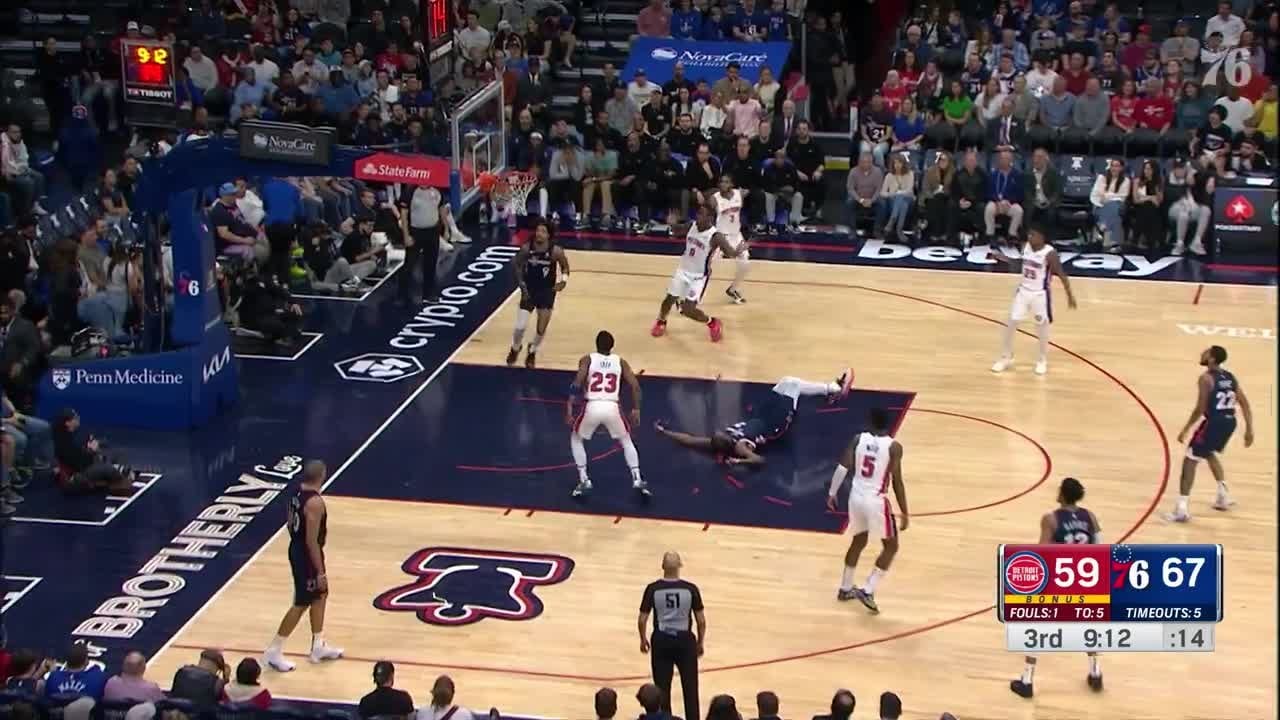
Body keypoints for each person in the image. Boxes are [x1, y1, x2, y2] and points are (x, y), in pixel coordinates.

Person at [1010, 477, 1104, 698]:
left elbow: (1042, 554)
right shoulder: (1090, 516)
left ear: (1062, 494)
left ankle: (1027, 681)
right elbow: (1100, 549)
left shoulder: (1050, 519)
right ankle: (1095, 673)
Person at [654, 370, 853, 465]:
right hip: (775, 423)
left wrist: (665, 432)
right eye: (720, 435)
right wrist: (738, 462)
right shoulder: (739, 446)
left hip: (762, 414)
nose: (718, 432)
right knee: (793, 384)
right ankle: (834, 389)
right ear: (725, 441)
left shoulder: (717, 441)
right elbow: (759, 460)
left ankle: (831, 389)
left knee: (785, 381)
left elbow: (689, 440)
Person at [825, 404, 912, 616]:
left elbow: (842, 467)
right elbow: (897, 482)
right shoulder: (894, 447)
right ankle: (868, 589)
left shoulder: (858, 439)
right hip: (876, 501)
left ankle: (845, 588)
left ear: (870, 422)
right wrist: (905, 511)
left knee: (858, 541)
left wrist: (832, 493)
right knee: (891, 546)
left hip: (855, 498)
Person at [263, 460, 343, 672]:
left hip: (297, 548)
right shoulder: (315, 502)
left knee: (321, 594)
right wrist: (320, 571)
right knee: (301, 602)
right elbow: (311, 541)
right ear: (322, 476)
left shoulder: (296, 494)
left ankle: (318, 645)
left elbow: (291, 525)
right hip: (307, 554)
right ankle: (274, 649)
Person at [1165, 346, 1254, 522]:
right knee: (1208, 452)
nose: (1202, 354)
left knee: (1190, 460)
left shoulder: (1206, 378)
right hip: (1229, 422)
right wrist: (1249, 430)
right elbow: (1245, 403)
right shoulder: (1230, 377)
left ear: (1212, 359)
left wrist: (1186, 428)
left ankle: (1181, 508)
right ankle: (1223, 496)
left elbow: (1201, 408)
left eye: (1206, 353)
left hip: (1213, 423)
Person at [989, 226, 1079, 376]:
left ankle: (1042, 360)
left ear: (1042, 237)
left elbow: (1062, 274)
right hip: (1023, 292)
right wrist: (1003, 258)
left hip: (1040, 295)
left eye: (1033, 235)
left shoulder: (1049, 253)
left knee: (1041, 327)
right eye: (1029, 235)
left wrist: (1070, 295)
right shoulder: (1027, 247)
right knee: (1011, 322)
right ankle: (1006, 357)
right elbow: (1021, 264)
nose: (1030, 237)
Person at [566, 330, 645, 498]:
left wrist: (569, 407)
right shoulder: (621, 362)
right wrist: (636, 409)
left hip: (592, 405)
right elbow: (636, 387)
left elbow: (577, 383)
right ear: (612, 346)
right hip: (612, 406)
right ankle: (637, 477)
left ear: (596, 344)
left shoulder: (587, 359)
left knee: (576, 438)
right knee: (626, 440)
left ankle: (584, 479)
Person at [650, 204, 739, 342]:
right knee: (668, 300)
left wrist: (738, 251)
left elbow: (730, 253)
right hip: (683, 270)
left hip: (698, 277)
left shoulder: (716, 236)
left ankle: (712, 322)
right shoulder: (691, 226)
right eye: (698, 213)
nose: (698, 216)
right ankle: (661, 321)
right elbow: (677, 231)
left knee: (688, 310)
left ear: (710, 218)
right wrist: (672, 224)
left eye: (702, 214)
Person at [638, 552, 705, 720]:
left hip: (661, 640)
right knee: (690, 688)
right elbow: (701, 621)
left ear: (662, 567)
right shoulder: (690, 589)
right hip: (685, 641)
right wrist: (700, 642)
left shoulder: (653, 589)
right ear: (680, 566)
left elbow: (642, 619)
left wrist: (643, 639)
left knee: (662, 689)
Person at [506, 219, 569, 369]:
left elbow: (565, 267)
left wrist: (563, 281)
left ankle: (532, 350)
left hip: (547, 291)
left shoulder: (556, 251)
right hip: (529, 290)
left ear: (549, 235)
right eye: (538, 230)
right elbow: (516, 264)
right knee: (520, 327)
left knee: (541, 328)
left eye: (543, 231)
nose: (539, 234)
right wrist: (521, 284)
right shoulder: (527, 248)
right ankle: (515, 348)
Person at [711, 174, 750, 304]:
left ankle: (733, 289)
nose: (723, 184)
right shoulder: (714, 198)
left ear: (732, 184)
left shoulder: (739, 194)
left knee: (745, 264)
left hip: (736, 235)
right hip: (721, 237)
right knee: (707, 266)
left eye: (726, 182)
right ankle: (683, 296)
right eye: (721, 182)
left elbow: (748, 191)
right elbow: (707, 215)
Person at [1089, 158, 1130, 251]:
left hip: (1118, 206)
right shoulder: (1101, 178)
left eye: (1117, 166)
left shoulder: (1126, 180)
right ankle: (1114, 244)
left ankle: (1102, 228)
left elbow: (1122, 197)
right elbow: (1095, 195)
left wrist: (1106, 196)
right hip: (1100, 205)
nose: (1114, 168)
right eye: (1112, 166)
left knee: (1113, 206)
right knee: (1114, 214)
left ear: (1121, 168)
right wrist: (1111, 196)